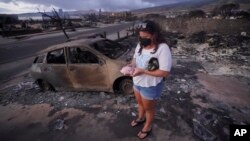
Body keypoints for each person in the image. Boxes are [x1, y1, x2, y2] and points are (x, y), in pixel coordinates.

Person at [128, 20, 172, 139]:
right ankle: (141, 118)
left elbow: (165, 72)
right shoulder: (140, 45)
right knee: (140, 103)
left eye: (146, 37)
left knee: (149, 108)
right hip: (137, 82)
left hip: (151, 85)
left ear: (154, 34)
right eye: (140, 36)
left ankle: (148, 125)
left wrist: (142, 71)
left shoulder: (162, 48)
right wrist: (131, 67)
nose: (142, 39)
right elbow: (134, 59)